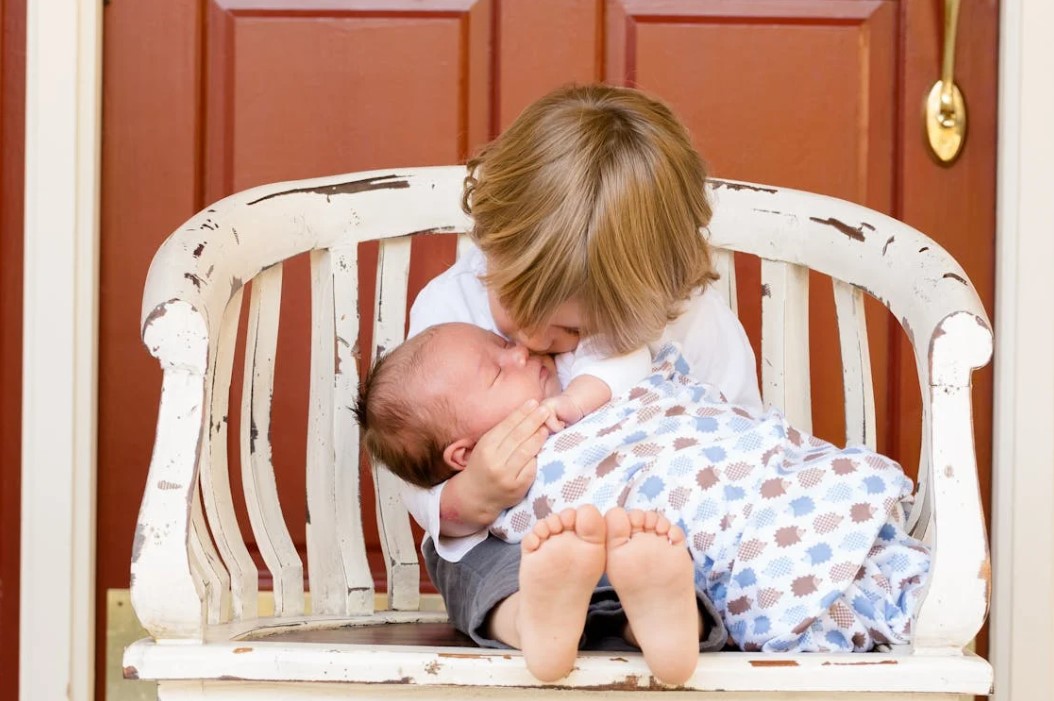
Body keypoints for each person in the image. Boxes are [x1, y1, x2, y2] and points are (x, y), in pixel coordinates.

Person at [393, 83, 762, 682]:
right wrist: (469, 497)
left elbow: (742, 439)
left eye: (571, 328)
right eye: (513, 305)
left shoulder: (696, 322)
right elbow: (416, 451)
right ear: (491, 240)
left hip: (659, 535)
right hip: (525, 544)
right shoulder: (451, 306)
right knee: (468, 562)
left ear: (654, 296)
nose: (534, 340)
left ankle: (668, 619)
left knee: (693, 565)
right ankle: (532, 619)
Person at [359, 323, 929, 660]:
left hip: (743, 484)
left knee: (662, 535)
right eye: (496, 370)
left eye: (501, 343)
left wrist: (579, 399)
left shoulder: (583, 367)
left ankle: (660, 613)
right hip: (644, 536)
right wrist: (476, 490)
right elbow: (438, 507)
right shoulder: (449, 325)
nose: (521, 351)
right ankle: (642, 614)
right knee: (579, 546)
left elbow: (652, 378)